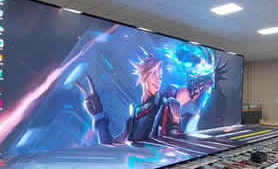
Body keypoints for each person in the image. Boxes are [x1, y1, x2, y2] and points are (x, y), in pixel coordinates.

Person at [76, 54, 213, 145]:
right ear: (144, 75)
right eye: (154, 74)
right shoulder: (134, 117)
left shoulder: (167, 101)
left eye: (160, 76)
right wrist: (98, 116)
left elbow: (191, 91)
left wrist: (206, 77)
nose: (158, 80)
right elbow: (110, 148)